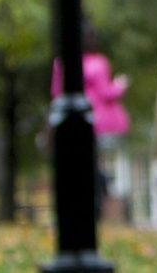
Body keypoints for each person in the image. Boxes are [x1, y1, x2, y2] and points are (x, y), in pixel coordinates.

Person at [52, 27, 131, 221]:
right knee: (94, 164)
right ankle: (97, 204)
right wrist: (120, 85)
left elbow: (55, 92)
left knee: (78, 165)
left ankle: (79, 207)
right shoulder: (99, 63)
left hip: (70, 123)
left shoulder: (60, 63)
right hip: (97, 122)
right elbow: (106, 93)